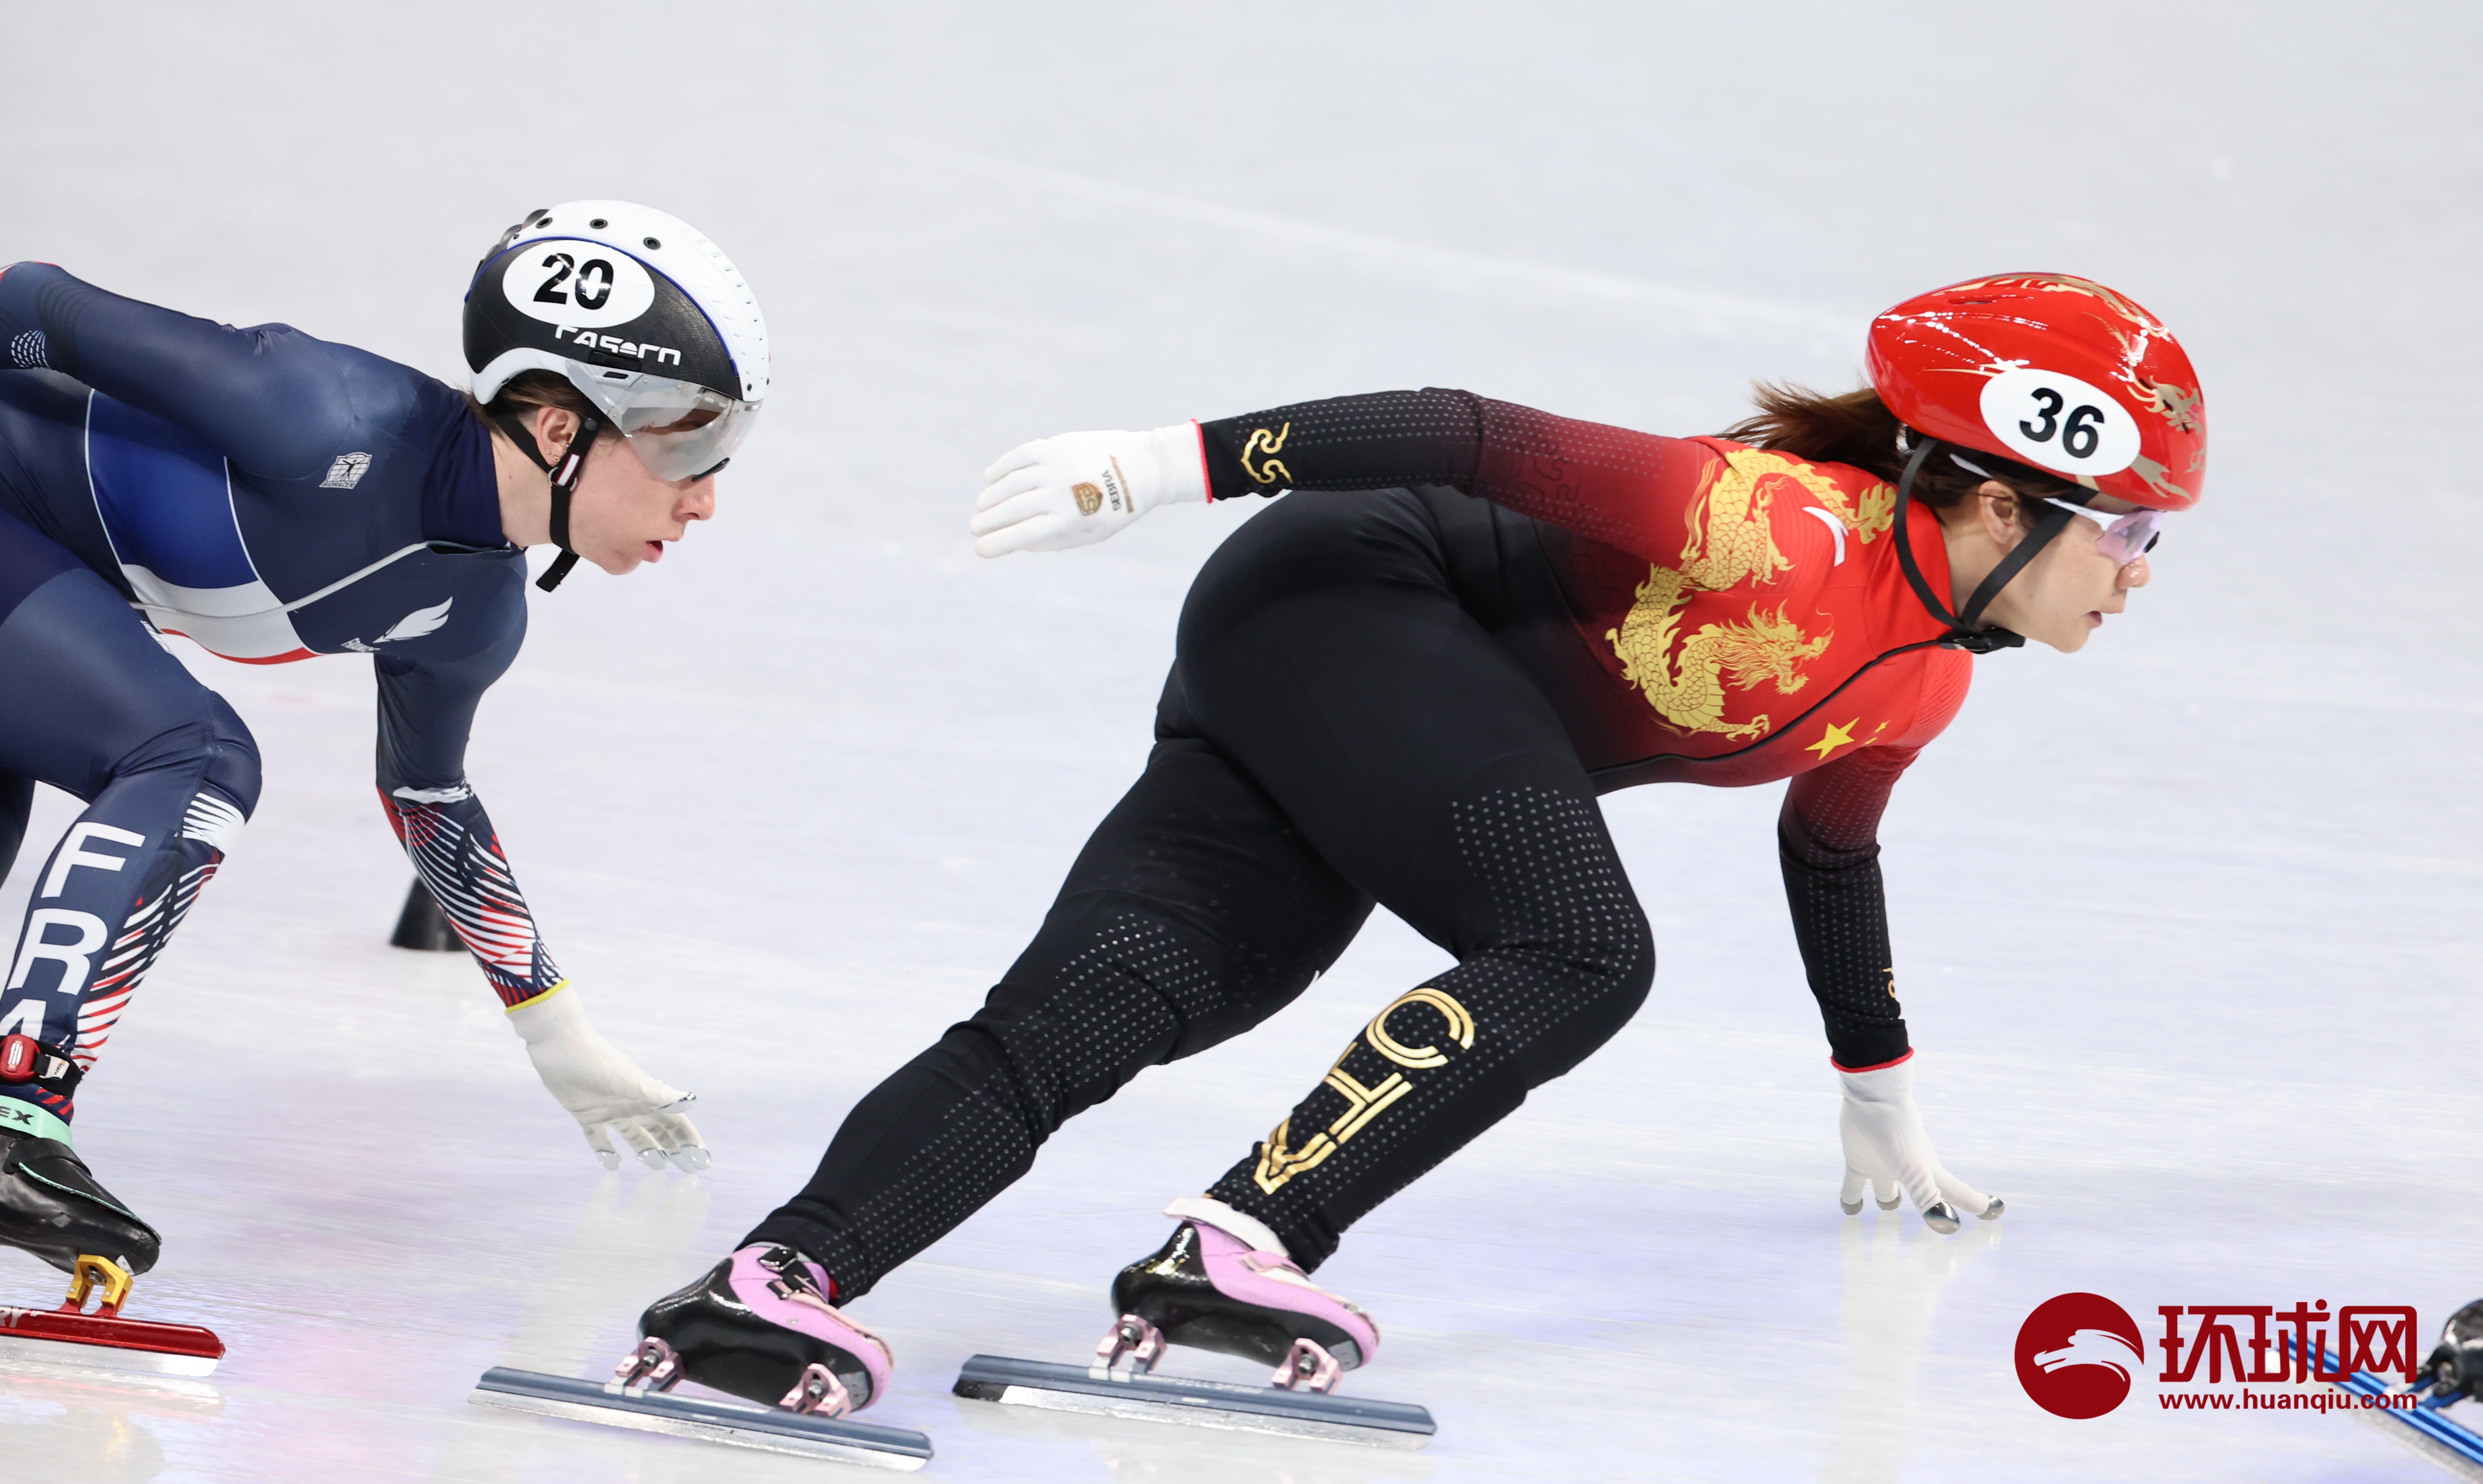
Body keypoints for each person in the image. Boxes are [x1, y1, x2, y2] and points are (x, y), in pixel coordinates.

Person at [622, 273, 2206, 1418]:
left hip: (1383, 708)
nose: (2140, 574)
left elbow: (1830, 852)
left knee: (1126, 995)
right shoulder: (1771, 524)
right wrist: (1160, 464)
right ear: (2001, 505)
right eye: (2130, 530)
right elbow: (1468, 433)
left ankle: (765, 1289)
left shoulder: (1927, 678)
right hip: (1353, 599)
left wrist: (1877, 1088)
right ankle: (1242, 1244)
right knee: (1584, 950)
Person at [0, 201, 764, 1299]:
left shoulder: (475, 615)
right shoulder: (319, 413)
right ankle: (20, 1113)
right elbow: (30, 301)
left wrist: (555, 1028)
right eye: (692, 443)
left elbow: (427, 793)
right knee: (193, 754)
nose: (704, 497)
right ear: (562, 429)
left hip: (41, 589)